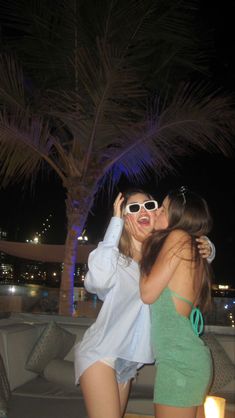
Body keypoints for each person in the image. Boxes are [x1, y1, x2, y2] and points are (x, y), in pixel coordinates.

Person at [74, 188, 214, 418]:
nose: (148, 210)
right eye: (134, 207)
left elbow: (187, 258)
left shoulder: (160, 259)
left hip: (129, 363)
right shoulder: (117, 261)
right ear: (126, 218)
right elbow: (96, 281)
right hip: (101, 353)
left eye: (151, 205)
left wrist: (208, 247)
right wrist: (115, 224)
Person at [138, 187, 213, 418]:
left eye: (163, 207)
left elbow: (147, 293)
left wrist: (144, 242)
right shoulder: (186, 243)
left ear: (177, 217)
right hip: (186, 359)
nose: (157, 211)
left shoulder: (178, 237)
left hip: (179, 362)